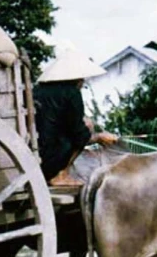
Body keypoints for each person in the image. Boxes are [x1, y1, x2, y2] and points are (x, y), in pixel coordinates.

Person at [34, 50, 118, 187]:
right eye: (82, 80)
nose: (82, 82)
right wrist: (98, 137)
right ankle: (59, 175)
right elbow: (78, 133)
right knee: (85, 129)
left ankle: (60, 172)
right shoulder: (71, 93)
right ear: (77, 78)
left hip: (35, 147)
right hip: (49, 153)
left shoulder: (38, 90)